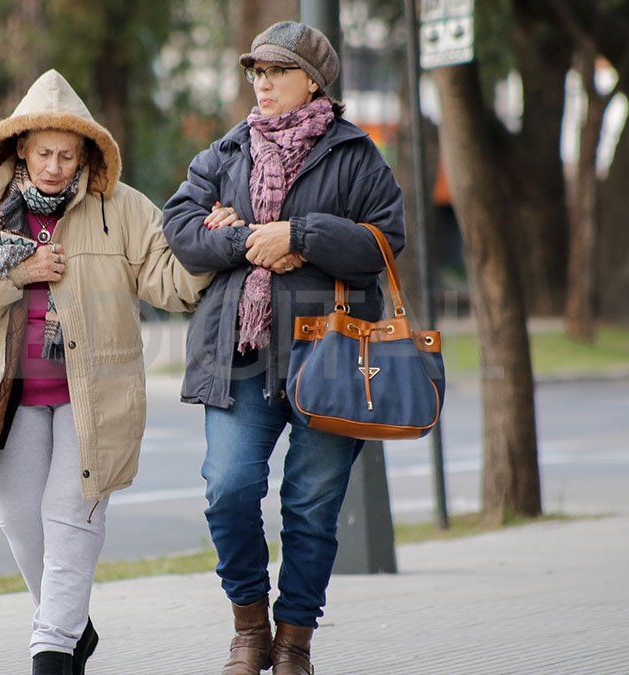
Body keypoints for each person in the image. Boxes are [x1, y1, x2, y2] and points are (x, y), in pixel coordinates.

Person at [0, 69, 212, 675]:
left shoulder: (123, 208)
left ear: (85, 154)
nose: (55, 166)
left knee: (69, 521)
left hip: (94, 397)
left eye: (67, 154)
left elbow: (170, 282)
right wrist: (17, 277)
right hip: (11, 397)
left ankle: (52, 652)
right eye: (44, 153)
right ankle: (70, 628)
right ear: (22, 149)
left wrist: (210, 244)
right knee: (20, 523)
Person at [162, 21, 406, 675]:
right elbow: (180, 227)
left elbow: (384, 241)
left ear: (312, 81)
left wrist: (302, 232)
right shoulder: (226, 152)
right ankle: (249, 627)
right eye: (256, 72)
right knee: (228, 490)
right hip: (239, 356)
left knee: (310, 505)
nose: (262, 83)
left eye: (276, 71)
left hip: (331, 358)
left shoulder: (357, 154)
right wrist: (248, 240)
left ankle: (294, 641)